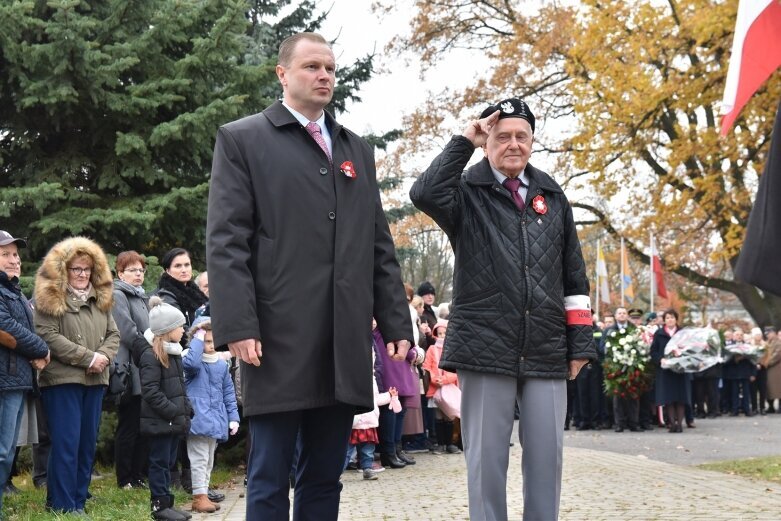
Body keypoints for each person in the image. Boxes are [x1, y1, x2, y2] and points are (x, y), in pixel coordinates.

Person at [205, 31, 412, 520]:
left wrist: (397, 322)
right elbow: (226, 241)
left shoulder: (355, 149)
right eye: (312, 67)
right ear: (283, 74)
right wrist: (238, 326)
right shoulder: (243, 139)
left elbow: (378, 244)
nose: (324, 76)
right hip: (275, 341)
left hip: (342, 341)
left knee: (325, 476)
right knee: (270, 475)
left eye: (330, 69)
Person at [409, 97, 596, 521]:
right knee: (486, 460)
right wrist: (465, 140)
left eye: (521, 136)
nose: (513, 144)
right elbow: (423, 192)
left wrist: (580, 342)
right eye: (502, 136)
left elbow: (574, 276)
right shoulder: (465, 191)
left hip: (547, 346)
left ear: (532, 141)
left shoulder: (552, 194)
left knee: (547, 458)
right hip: (484, 345)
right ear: (488, 139)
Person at [34, 237, 120, 514]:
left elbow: (114, 334)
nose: (82, 274)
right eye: (75, 269)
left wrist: (103, 357)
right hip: (62, 381)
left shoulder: (100, 298)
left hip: (96, 380)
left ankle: (78, 502)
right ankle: (60, 504)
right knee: (66, 443)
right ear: (64, 271)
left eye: (86, 269)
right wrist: (88, 358)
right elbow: (47, 335)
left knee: (85, 445)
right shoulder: (50, 297)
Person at [0, 231, 49, 514]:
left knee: (6, 452)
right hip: (5, 380)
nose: (13, 260)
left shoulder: (13, 291)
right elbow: (6, 327)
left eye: (15, 255)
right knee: (2, 451)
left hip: (17, 379)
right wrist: (41, 350)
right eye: (5, 254)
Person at [139, 297, 193, 521]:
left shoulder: (173, 353)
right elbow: (150, 391)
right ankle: (159, 506)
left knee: (169, 462)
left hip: (172, 420)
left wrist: (187, 408)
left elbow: (179, 387)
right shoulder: (151, 355)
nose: (183, 330)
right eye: (179, 326)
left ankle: (168, 503)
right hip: (161, 420)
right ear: (167, 329)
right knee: (159, 462)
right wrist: (173, 411)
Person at [182, 318, 239, 513]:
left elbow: (228, 393)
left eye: (214, 340)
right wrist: (197, 340)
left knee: (208, 460)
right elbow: (191, 365)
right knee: (198, 459)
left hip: (216, 420)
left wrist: (233, 417)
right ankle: (199, 497)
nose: (211, 345)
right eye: (206, 341)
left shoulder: (221, 365)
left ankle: (203, 493)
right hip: (197, 420)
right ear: (196, 340)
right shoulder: (190, 360)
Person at [111, 250, 151, 489]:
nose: (138, 274)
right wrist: (149, 350)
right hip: (129, 368)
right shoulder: (118, 294)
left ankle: (138, 475)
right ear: (120, 273)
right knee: (128, 424)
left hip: (144, 367)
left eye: (140, 270)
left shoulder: (141, 296)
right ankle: (124, 478)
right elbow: (127, 331)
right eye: (132, 270)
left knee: (142, 425)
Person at [422, 320, 461, 454]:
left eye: (444, 333)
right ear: (435, 334)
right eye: (439, 333)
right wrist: (435, 379)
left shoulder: (453, 348)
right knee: (438, 416)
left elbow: (456, 370)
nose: (442, 336)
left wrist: (444, 379)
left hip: (449, 386)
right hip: (436, 387)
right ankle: (440, 443)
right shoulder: (432, 349)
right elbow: (428, 366)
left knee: (449, 415)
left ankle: (450, 443)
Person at [649, 309, 690, 432]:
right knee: (669, 398)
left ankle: (679, 424)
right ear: (664, 320)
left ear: (676, 319)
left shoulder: (683, 333)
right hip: (665, 370)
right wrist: (660, 359)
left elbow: (690, 350)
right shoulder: (659, 333)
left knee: (681, 397)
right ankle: (672, 423)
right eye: (667, 318)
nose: (670, 320)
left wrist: (682, 357)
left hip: (681, 370)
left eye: (672, 317)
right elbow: (653, 351)